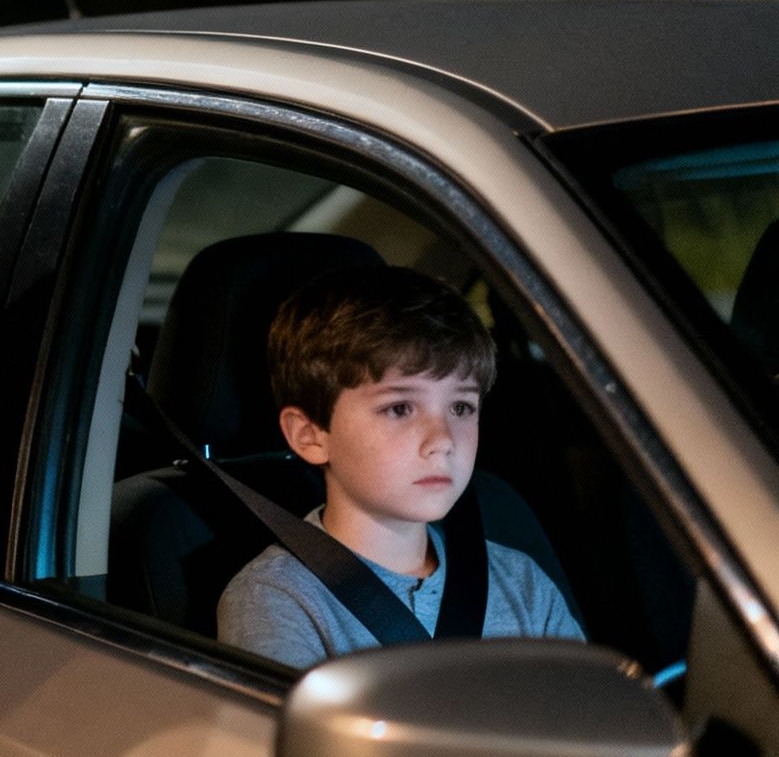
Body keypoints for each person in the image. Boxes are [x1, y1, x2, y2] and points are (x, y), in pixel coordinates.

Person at [216, 265, 583, 669]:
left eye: (461, 407)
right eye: (400, 408)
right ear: (311, 435)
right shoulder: (278, 600)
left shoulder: (521, 584)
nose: (442, 439)